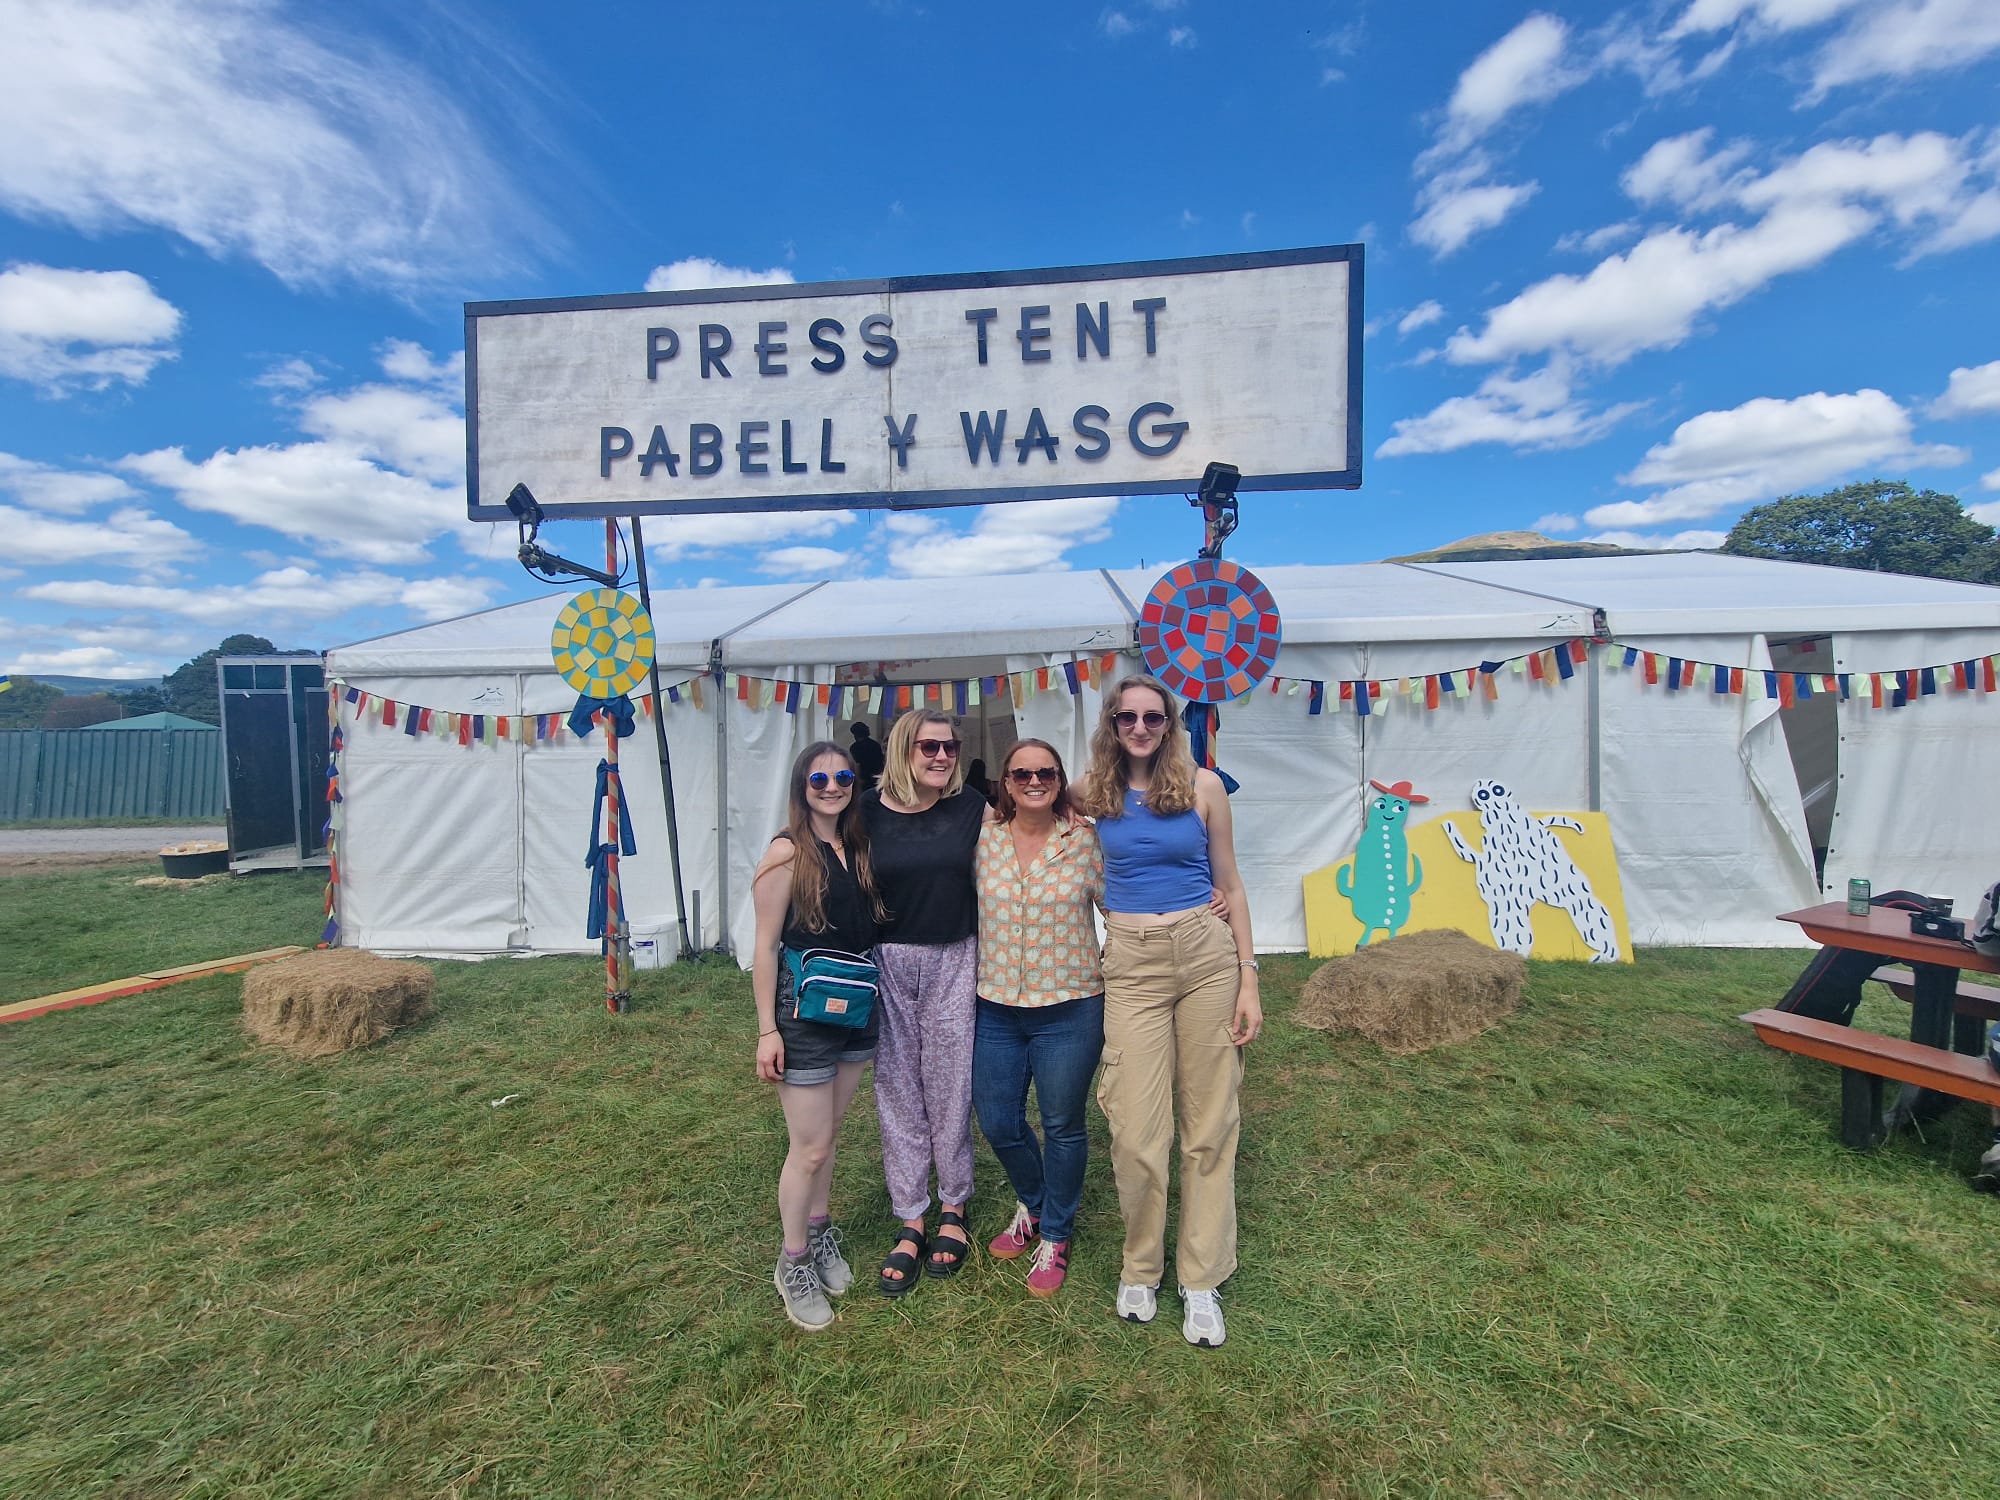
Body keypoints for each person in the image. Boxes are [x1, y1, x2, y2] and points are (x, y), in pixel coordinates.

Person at [1075, 673, 1260, 1349]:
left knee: (1210, 1120)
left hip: (1206, 952)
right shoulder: (1092, 790)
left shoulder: (1204, 786)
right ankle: (1141, 1265)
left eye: (1154, 717)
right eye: (1128, 718)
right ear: (1112, 724)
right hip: (1132, 959)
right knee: (1133, 1126)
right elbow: (1025, 799)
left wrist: (1248, 977)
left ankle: (1201, 1278)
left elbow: (1231, 884)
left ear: (1171, 722)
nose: (1141, 728)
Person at [750, 741, 887, 1330]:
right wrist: (765, 1031)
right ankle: (793, 1262)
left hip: (855, 1000)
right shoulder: (786, 852)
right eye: (819, 778)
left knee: (827, 1136)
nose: (832, 786)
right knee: (807, 1146)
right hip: (803, 1011)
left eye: (843, 776)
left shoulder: (856, 844)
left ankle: (820, 1231)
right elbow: (763, 947)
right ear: (801, 784)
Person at [861, 708, 990, 1294]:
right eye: (928, 747)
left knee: (950, 1083)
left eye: (950, 747)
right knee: (897, 1086)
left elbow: (1042, 825)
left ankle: (954, 1207)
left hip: (954, 955)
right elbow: (807, 841)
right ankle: (911, 1213)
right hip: (887, 959)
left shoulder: (972, 809)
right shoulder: (863, 811)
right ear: (902, 751)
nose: (942, 757)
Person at [972, 740, 1103, 1296]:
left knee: (1062, 1126)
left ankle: (1055, 1233)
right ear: (1005, 780)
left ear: (1059, 779)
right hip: (996, 1006)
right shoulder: (980, 841)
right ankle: (1034, 1201)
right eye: (1021, 772)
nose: (1034, 780)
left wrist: (1204, 896)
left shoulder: (1086, 839)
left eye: (1045, 772)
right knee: (998, 1121)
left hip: (1069, 1006)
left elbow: (1126, 898)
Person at [848, 721, 886, 791]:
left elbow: (857, 764)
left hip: (862, 778)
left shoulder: (854, 747)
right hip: (875, 777)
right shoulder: (875, 745)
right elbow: (880, 762)